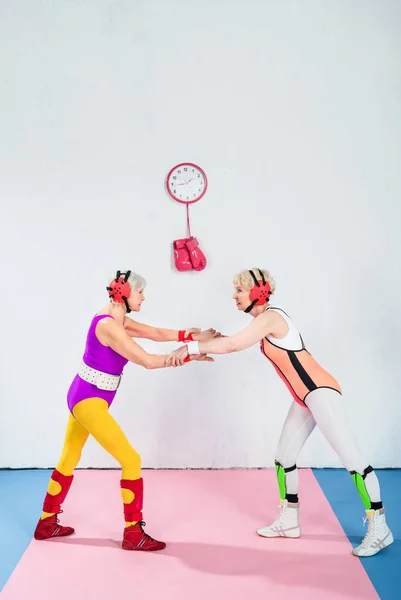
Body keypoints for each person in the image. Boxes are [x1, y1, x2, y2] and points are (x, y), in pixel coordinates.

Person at [174, 268, 393, 557]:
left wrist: (190, 347)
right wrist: (209, 341)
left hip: (320, 392)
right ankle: (289, 521)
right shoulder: (265, 323)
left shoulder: (271, 317)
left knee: (353, 460)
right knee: (284, 459)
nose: (234, 296)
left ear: (257, 292)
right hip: (305, 397)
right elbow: (236, 341)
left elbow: (235, 344)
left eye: (239, 291)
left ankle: (380, 528)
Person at [33, 270, 216, 551]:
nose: (144, 296)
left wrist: (190, 335)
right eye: (140, 292)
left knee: (70, 455)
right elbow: (148, 361)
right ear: (124, 295)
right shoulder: (109, 326)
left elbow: (153, 333)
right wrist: (189, 353)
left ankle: (46, 522)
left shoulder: (115, 317)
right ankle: (133, 533)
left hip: (83, 393)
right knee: (131, 460)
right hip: (89, 401)